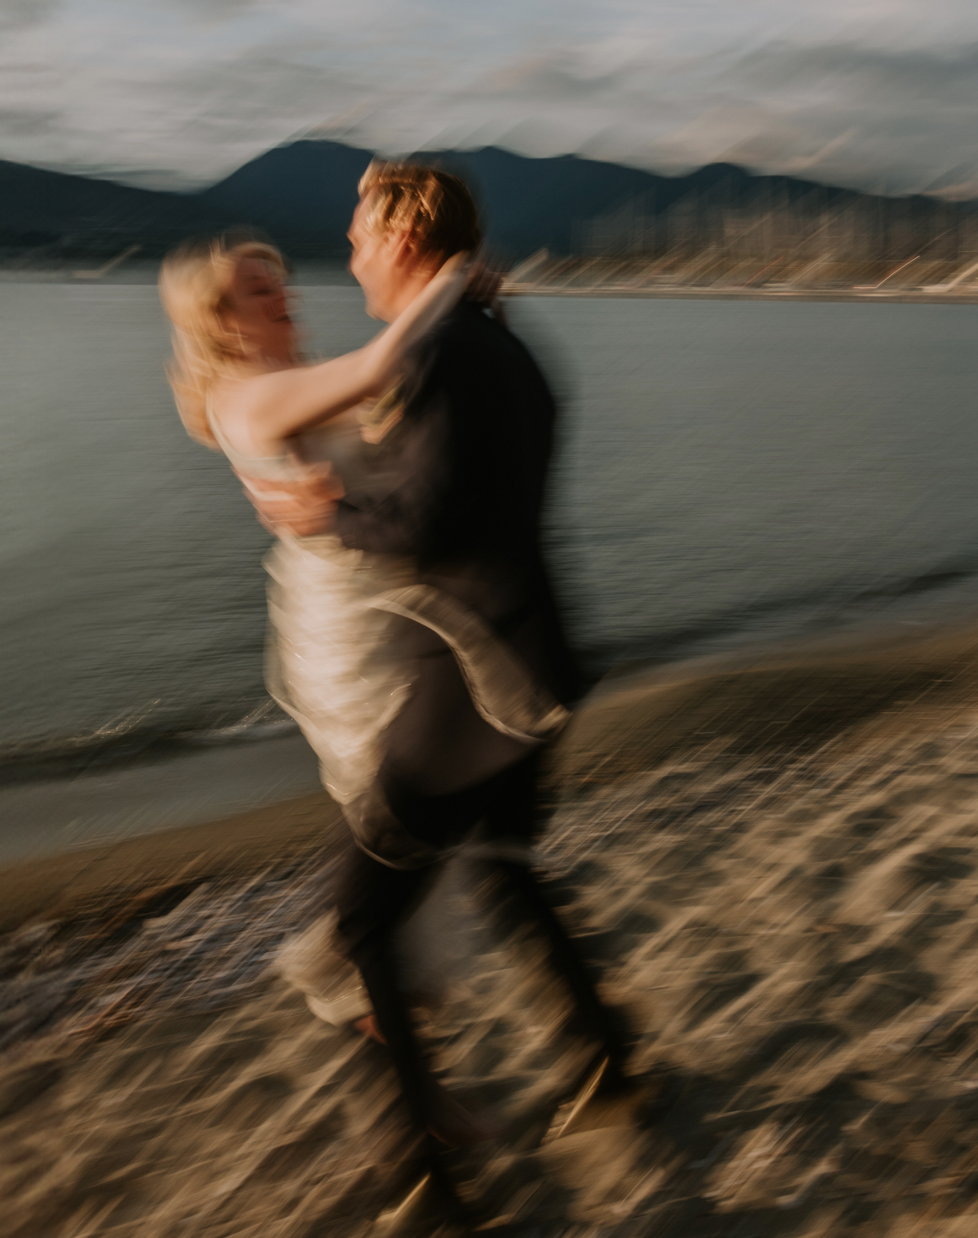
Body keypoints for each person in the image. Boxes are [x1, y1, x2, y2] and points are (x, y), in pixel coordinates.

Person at [320, 160, 637, 1226]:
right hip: (539, 658)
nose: (353, 250)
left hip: (475, 689)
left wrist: (326, 509)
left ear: (406, 233)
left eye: (362, 230)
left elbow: (432, 517)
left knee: (360, 922)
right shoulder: (502, 340)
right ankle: (607, 1058)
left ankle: (424, 1172)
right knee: (505, 869)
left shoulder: (444, 346)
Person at [159, 230, 473, 1025]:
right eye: (260, 292)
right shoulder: (248, 397)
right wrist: (454, 273)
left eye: (281, 283)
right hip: (350, 631)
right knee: (397, 830)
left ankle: (400, 1039)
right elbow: (379, 368)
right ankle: (355, 983)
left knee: (406, 838)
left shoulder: (289, 380)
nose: (285, 296)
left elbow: (391, 409)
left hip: (389, 605)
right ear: (223, 322)